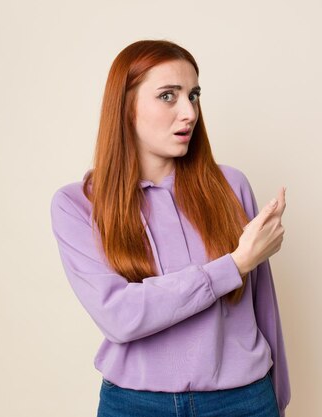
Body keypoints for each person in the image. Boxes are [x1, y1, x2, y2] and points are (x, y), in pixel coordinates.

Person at [50, 39, 291, 417]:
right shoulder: (77, 205)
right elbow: (120, 316)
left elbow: (263, 308)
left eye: (193, 96)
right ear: (126, 107)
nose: (189, 113)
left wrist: (276, 401)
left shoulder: (231, 185)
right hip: (135, 404)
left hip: (243, 400)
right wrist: (233, 265)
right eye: (168, 96)